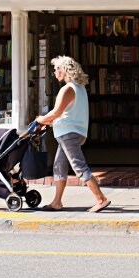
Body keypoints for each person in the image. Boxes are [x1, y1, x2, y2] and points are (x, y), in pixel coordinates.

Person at [30, 56, 110, 213]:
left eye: (56, 69)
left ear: (64, 70)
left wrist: (41, 120)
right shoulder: (79, 88)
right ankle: (56, 202)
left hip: (69, 134)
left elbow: (56, 112)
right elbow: (68, 114)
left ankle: (101, 199)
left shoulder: (68, 89)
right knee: (59, 165)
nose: (54, 72)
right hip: (74, 132)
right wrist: (49, 122)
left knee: (78, 165)